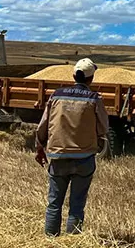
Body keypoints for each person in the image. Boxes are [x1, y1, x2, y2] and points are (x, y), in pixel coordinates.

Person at [35, 58, 109, 236]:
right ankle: (72, 243)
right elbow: (103, 128)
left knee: (54, 204)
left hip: (58, 156)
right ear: (91, 79)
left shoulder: (56, 95)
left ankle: (50, 240)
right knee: (77, 204)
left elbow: (43, 125)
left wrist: (39, 147)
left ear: (73, 75)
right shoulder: (94, 98)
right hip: (84, 158)